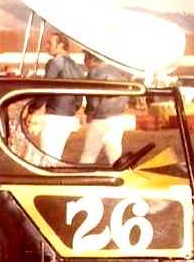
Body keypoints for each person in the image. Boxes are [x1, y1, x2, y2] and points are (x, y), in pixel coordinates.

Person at [27, 32, 84, 160]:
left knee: (47, 158)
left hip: (55, 117)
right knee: (54, 156)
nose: (46, 46)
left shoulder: (55, 63)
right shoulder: (77, 67)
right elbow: (79, 97)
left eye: (50, 43)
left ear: (61, 45)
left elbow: (45, 90)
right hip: (69, 117)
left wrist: (32, 109)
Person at [79, 51, 130, 165]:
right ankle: (118, 173)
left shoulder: (94, 72)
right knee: (114, 153)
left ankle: (83, 173)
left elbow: (92, 97)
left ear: (92, 59)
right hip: (117, 117)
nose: (84, 62)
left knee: (89, 153)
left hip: (101, 118)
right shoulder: (116, 71)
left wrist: (90, 112)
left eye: (85, 59)